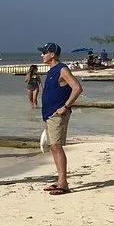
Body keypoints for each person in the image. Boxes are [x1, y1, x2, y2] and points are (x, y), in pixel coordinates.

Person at [38, 42, 83, 195]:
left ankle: (63, 183)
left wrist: (65, 106)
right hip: (49, 114)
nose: (42, 55)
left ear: (52, 54)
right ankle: (59, 180)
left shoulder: (62, 69)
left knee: (57, 146)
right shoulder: (51, 70)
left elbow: (77, 88)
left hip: (58, 114)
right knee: (53, 146)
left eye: (44, 52)